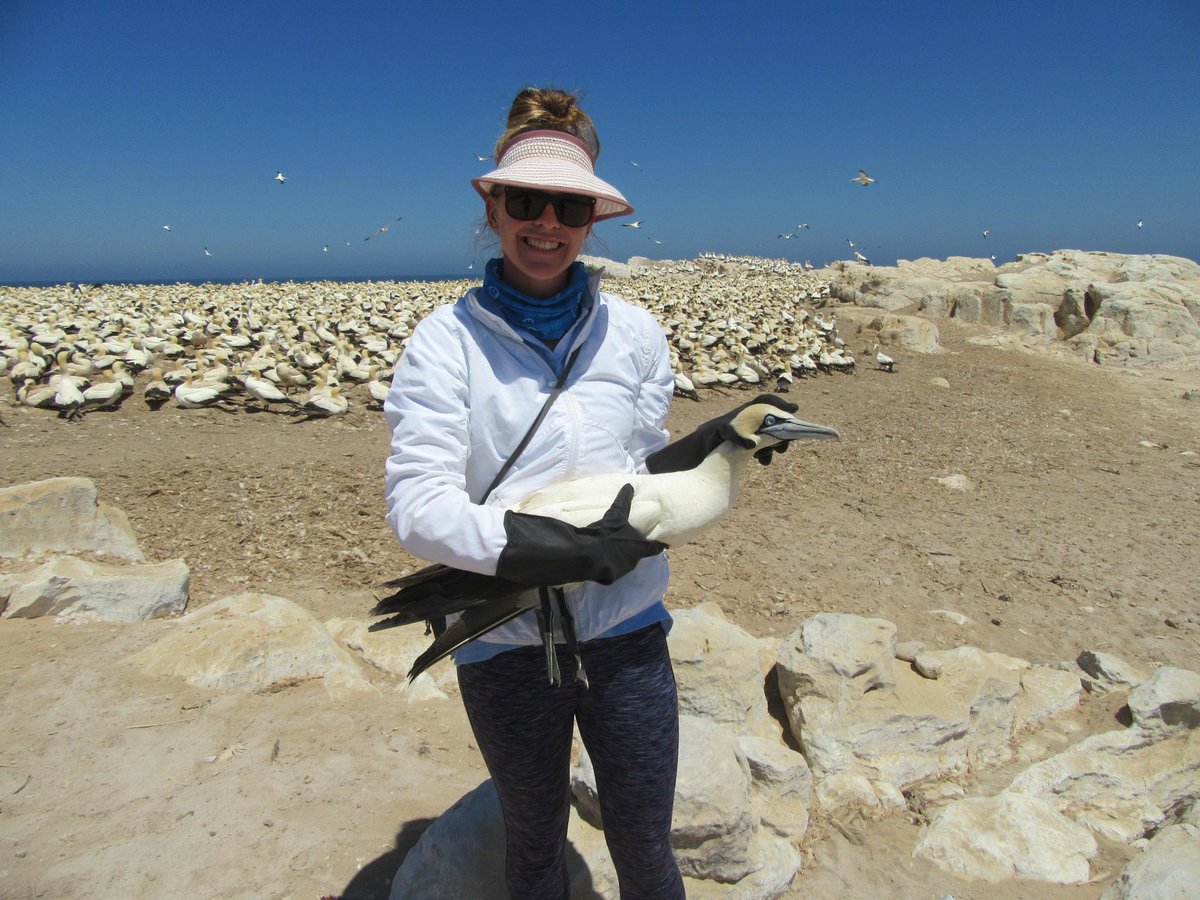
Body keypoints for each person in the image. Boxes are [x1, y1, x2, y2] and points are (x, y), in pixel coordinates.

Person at [383, 85, 795, 899]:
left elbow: (638, 472)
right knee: (534, 848)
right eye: (527, 201)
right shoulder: (444, 343)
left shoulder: (635, 332)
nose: (547, 223)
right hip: (505, 647)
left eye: (568, 207)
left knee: (648, 847)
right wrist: (539, 553)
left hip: (627, 631)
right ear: (495, 208)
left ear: (592, 220)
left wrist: (718, 449)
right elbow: (417, 506)